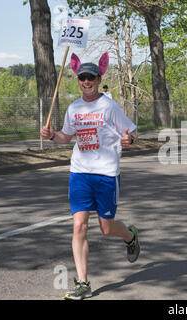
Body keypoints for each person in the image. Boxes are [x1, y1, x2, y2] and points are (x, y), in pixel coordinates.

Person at [41, 52, 140, 300]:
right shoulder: (74, 108)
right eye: (82, 77)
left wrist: (129, 140)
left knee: (106, 229)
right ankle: (83, 282)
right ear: (78, 80)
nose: (86, 81)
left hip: (106, 174)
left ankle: (129, 235)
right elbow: (66, 136)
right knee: (78, 226)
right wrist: (53, 136)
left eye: (91, 77)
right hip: (80, 173)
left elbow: (132, 132)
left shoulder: (109, 105)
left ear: (99, 79)